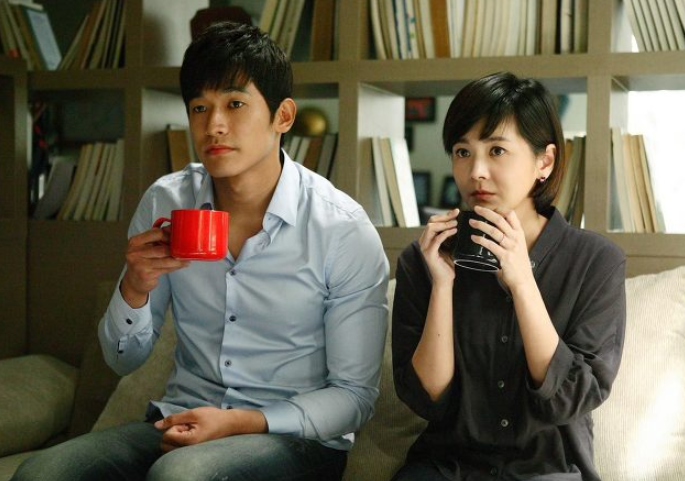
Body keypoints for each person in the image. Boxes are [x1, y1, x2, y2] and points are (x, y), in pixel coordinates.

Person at [13, 22, 388, 481]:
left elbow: (354, 397)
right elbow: (121, 360)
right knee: (42, 473)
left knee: (182, 476)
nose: (214, 126)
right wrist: (134, 288)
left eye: (235, 104)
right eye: (199, 107)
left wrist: (240, 422)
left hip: (294, 439)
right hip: (180, 419)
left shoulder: (342, 229)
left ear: (284, 116)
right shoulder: (166, 202)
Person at [390, 72, 626, 481]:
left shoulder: (596, 261)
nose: (476, 171)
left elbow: (571, 396)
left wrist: (521, 283)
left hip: (548, 470)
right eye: (463, 152)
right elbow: (427, 399)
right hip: (446, 469)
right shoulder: (423, 258)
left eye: (497, 150)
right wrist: (443, 285)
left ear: (544, 162)